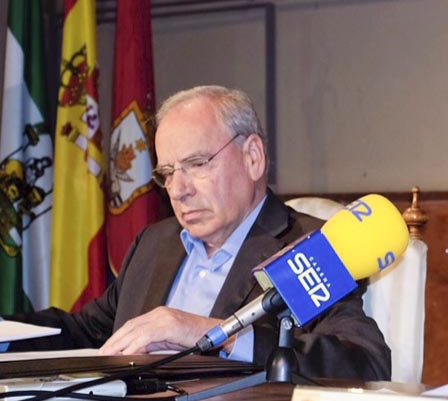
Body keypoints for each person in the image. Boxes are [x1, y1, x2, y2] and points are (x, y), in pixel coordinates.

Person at [4, 85, 391, 381]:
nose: (178, 189)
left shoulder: (311, 248)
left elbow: (364, 363)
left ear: (253, 157)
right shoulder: (155, 244)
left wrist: (206, 332)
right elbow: (87, 331)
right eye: (167, 173)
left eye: (197, 163)